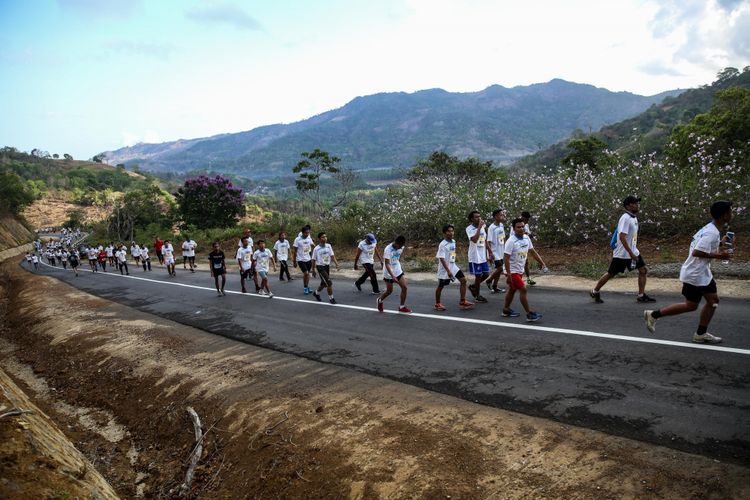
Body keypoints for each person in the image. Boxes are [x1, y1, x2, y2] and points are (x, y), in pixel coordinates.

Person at [644, 201, 734, 344]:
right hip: (696, 274)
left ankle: (654, 315)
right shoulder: (711, 232)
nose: (732, 214)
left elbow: (704, 247)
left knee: (692, 305)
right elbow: (697, 251)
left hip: (699, 273)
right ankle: (700, 333)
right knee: (711, 301)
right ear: (724, 215)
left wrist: (721, 244)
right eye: (730, 211)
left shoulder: (711, 229)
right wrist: (719, 256)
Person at [590, 195, 656, 304]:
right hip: (623, 254)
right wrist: (630, 253)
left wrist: (633, 251)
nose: (637, 205)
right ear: (629, 206)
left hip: (633, 251)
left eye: (637, 203)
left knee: (643, 270)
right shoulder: (625, 218)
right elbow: (622, 237)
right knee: (611, 273)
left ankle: (641, 295)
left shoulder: (633, 218)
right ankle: (595, 291)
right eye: (635, 203)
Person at [502, 218, 548, 322]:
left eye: (522, 226)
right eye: (518, 227)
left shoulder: (526, 238)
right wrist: (508, 274)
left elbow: (533, 252)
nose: (521, 228)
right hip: (512, 271)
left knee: (512, 290)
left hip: (519, 269)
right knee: (523, 289)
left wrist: (542, 263)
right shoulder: (511, 241)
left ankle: (506, 309)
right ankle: (529, 313)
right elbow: (506, 258)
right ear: (514, 229)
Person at [435, 224, 474, 311]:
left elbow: (452, 254)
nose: (451, 232)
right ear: (444, 233)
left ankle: (462, 301)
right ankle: (437, 304)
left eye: (452, 231)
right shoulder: (442, 244)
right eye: (449, 231)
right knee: (441, 285)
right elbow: (441, 258)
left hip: (453, 266)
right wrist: (448, 271)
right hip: (444, 269)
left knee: (463, 280)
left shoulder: (453, 241)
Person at [377, 235, 411, 313]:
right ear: (396, 243)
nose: (401, 247)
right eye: (400, 246)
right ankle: (380, 300)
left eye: (402, 246)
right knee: (389, 291)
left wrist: (400, 271)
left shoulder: (401, 247)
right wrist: (392, 276)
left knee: (404, 287)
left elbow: (397, 258)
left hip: (397, 270)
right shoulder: (388, 250)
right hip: (388, 273)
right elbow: (387, 264)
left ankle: (402, 307)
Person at [466, 211, 490, 303]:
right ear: (472, 219)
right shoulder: (469, 228)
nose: (479, 218)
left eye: (479, 217)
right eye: (476, 217)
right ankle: (477, 295)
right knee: (478, 276)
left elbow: (484, 240)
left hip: (482, 255)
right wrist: (479, 227)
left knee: (486, 274)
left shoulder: (483, 227)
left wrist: (490, 252)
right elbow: (475, 240)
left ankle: (473, 287)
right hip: (475, 256)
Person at [311, 232, 340, 304]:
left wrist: (337, 264)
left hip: (327, 266)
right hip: (320, 267)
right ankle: (331, 298)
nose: (325, 238)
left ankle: (316, 293)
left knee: (324, 283)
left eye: (325, 237)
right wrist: (313, 270)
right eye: (323, 237)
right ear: (319, 239)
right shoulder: (316, 249)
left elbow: (332, 256)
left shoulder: (328, 246)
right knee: (329, 283)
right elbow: (313, 260)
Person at [486, 209, 507, 294]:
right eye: (500, 215)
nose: (502, 216)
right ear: (495, 216)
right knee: (500, 268)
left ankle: (495, 287)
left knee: (500, 270)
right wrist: (490, 254)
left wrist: (506, 249)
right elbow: (488, 241)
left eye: (502, 215)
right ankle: (489, 280)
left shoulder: (501, 225)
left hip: (501, 251)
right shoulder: (492, 227)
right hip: (494, 252)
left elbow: (503, 237)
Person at [292, 226, 315, 294]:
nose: (307, 234)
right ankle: (305, 287)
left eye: (308, 233)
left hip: (308, 259)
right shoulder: (297, 239)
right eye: (306, 233)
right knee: (306, 273)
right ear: (302, 232)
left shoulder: (309, 238)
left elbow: (312, 245)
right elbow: (295, 251)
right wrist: (294, 261)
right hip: (300, 259)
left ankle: (307, 286)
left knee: (307, 275)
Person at [520, 211, 537, 285]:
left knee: (526, 262)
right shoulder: (517, 224)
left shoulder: (526, 225)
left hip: (524, 246)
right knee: (521, 263)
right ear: (523, 218)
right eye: (526, 219)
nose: (527, 221)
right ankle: (518, 280)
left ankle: (528, 279)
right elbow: (516, 234)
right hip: (517, 246)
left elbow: (527, 234)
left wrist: (531, 235)